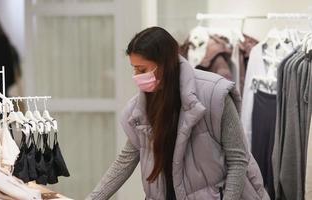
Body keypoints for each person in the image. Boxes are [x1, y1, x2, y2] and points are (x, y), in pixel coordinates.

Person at [87, 27, 270, 200]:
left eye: (141, 69)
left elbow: (238, 159)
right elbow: (125, 161)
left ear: (163, 64)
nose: (136, 75)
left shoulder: (214, 94)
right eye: (133, 68)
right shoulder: (140, 108)